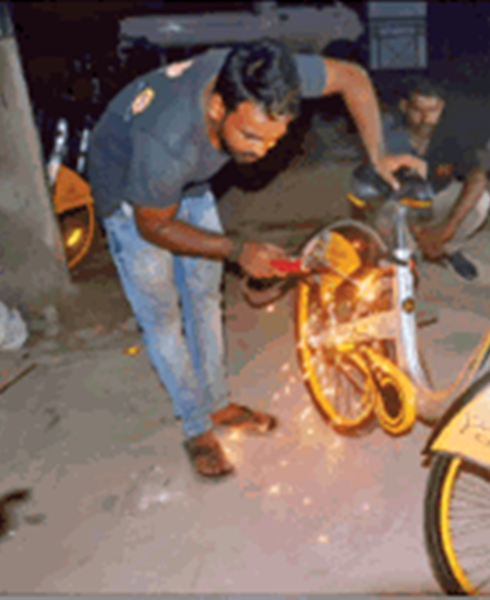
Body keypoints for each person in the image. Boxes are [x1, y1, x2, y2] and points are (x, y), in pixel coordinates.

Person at [86, 39, 425, 480]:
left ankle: (218, 403)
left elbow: (352, 78)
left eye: (274, 138)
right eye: (250, 136)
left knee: (205, 298)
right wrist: (236, 250)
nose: (262, 150)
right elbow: (154, 227)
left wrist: (378, 155)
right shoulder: (166, 140)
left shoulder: (266, 76)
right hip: (133, 199)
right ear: (216, 107)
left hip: (184, 183)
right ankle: (195, 426)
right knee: (164, 318)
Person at [375, 76, 490, 281]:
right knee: (386, 215)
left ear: (442, 108)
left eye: (433, 111)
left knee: (482, 201)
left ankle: (446, 248)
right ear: (404, 106)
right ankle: (408, 258)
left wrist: (448, 228)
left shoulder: (451, 131)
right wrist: (420, 234)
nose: (425, 119)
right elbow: (384, 187)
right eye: (417, 110)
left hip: (436, 197)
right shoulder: (388, 131)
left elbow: (477, 176)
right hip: (398, 201)